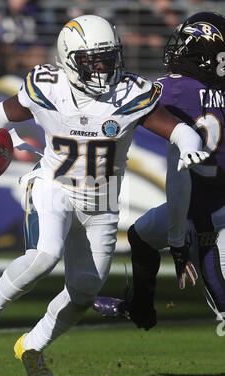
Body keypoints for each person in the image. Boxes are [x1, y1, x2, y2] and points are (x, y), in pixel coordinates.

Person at [0, 14, 208, 376]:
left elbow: (180, 130)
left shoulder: (130, 93)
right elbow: (5, 113)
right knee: (45, 254)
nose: (103, 67)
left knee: (85, 290)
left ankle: (33, 347)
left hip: (102, 201)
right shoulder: (48, 87)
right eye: (93, 60)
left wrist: (189, 147)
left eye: (108, 57)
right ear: (69, 59)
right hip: (53, 184)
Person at [93, 11, 225, 331]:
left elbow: (126, 102)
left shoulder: (177, 88)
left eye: (188, 46)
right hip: (205, 199)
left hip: (205, 210)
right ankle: (141, 309)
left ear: (205, 55)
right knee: (142, 235)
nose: (179, 52)